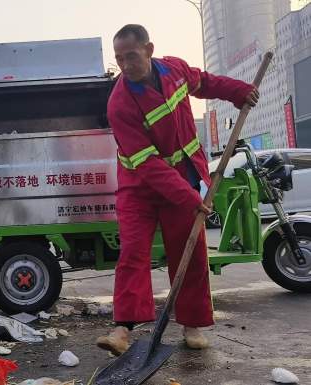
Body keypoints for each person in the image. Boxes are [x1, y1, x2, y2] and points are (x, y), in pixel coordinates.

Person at [96, 24, 259, 356]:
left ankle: (192, 323)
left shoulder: (175, 69)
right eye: (119, 59)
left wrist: (238, 91)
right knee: (133, 253)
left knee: (191, 253)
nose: (125, 65)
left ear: (149, 50)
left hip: (183, 174)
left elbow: (206, 82)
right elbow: (148, 163)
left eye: (131, 56)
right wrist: (190, 198)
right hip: (139, 186)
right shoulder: (120, 103)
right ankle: (122, 329)